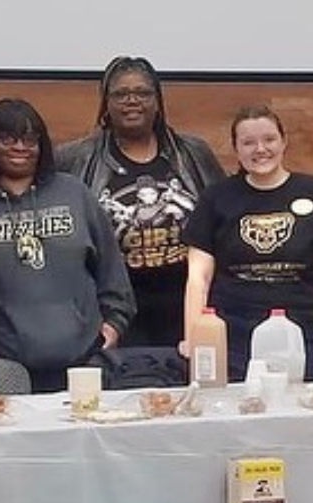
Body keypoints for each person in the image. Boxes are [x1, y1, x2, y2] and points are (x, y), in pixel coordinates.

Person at [0, 98, 136, 393]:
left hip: (85, 361)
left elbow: (111, 268)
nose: (20, 148)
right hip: (3, 368)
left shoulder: (75, 194)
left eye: (30, 140)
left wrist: (114, 323)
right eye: (8, 139)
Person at [183, 105, 313, 382]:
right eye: (248, 142)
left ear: (284, 141)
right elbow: (199, 276)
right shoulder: (217, 198)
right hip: (234, 332)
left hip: (302, 329)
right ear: (236, 148)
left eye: (269, 139)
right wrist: (192, 338)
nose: (260, 149)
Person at [57, 56, 225, 347]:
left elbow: (224, 216)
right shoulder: (76, 158)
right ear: (105, 104)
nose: (132, 101)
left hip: (186, 300)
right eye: (120, 94)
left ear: (157, 101)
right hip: (115, 309)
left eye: (143, 93)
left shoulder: (193, 153)